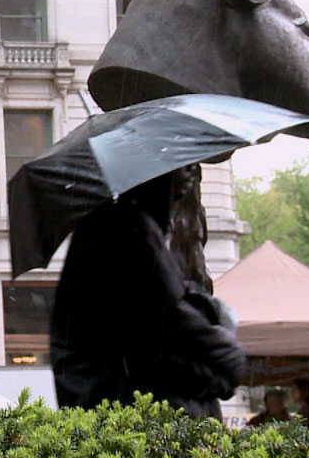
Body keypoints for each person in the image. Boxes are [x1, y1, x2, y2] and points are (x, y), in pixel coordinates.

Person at [51, 171, 246, 418]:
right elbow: (173, 324)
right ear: (157, 174)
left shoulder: (118, 225)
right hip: (123, 408)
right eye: (184, 166)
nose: (191, 173)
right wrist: (227, 348)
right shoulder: (131, 229)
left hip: (108, 402)